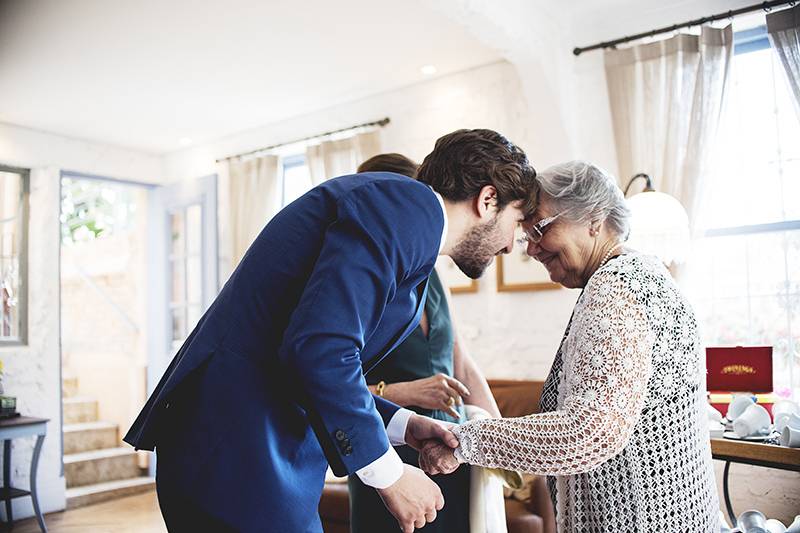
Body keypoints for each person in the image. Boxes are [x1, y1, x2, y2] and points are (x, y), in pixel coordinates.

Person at [123, 129, 538, 533]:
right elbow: (319, 349)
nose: (508, 246)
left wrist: (403, 426)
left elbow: (318, 354)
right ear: (487, 200)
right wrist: (390, 474)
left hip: (258, 451)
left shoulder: (412, 233)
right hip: (238, 449)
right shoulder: (408, 206)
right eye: (516, 223)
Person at [420, 161, 720, 532]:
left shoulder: (618, 288)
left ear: (594, 219)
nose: (532, 249)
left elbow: (589, 431)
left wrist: (463, 441)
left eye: (541, 229)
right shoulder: (635, 277)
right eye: (525, 235)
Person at [348, 153, 501, 533]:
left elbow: (460, 358)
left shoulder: (433, 273)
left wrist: (500, 437)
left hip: (454, 447)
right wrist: (408, 392)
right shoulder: (364, 283)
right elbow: (332, 385)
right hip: (388, 454)